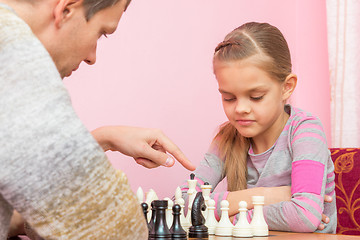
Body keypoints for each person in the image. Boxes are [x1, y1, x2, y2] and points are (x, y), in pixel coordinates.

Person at [0, 0, 195, 239]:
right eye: (101, 33)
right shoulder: (10, 51)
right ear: (67, 9)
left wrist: (100, 140)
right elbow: (114, 231)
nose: (92, 57)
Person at [179, 22, 336, 233]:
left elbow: (304, 217)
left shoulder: (306, 131)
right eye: (228, 98)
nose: (241, 109)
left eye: (256, 97)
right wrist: (268, 195)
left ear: (286, 87)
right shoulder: (226, 138)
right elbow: (182, 205)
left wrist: (222, 216)